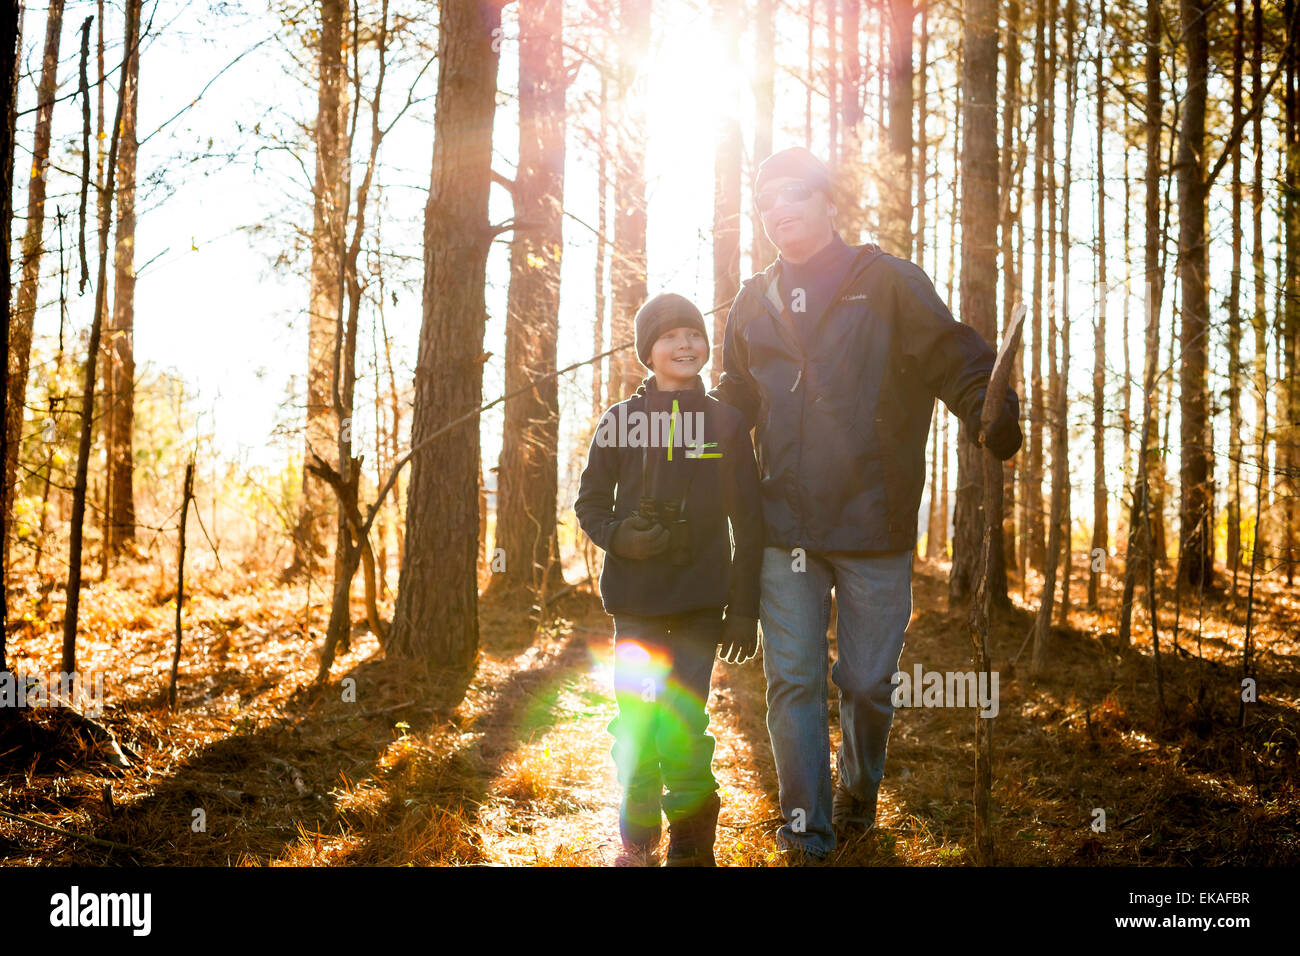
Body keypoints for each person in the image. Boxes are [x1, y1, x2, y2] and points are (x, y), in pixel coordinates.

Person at [709, 146, 1023, 862]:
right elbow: (737, 395)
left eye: (793, 196)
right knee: (792, 680)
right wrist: (687, 436)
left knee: (869, 684)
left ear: (827, 202)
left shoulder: (886, 284)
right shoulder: (754, 300)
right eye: (765, 205)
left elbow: (956, 357)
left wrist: (989, 409)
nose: (777, 212)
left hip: (872, 523)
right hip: (783, 526)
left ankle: (857, 794)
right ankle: (807, 835)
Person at [575, 292, 764, 866]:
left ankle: (690, 838)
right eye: (669, 336)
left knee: (684, 717)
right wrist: (618, 535)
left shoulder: (727, 424)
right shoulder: (621, 420)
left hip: (703, 599)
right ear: (648, 353)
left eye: (694, 335)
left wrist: (744, 607)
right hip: (635, 599)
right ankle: (636, 813)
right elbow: (588, 503)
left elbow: (749, 522)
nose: (685, 345)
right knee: (635, 713)